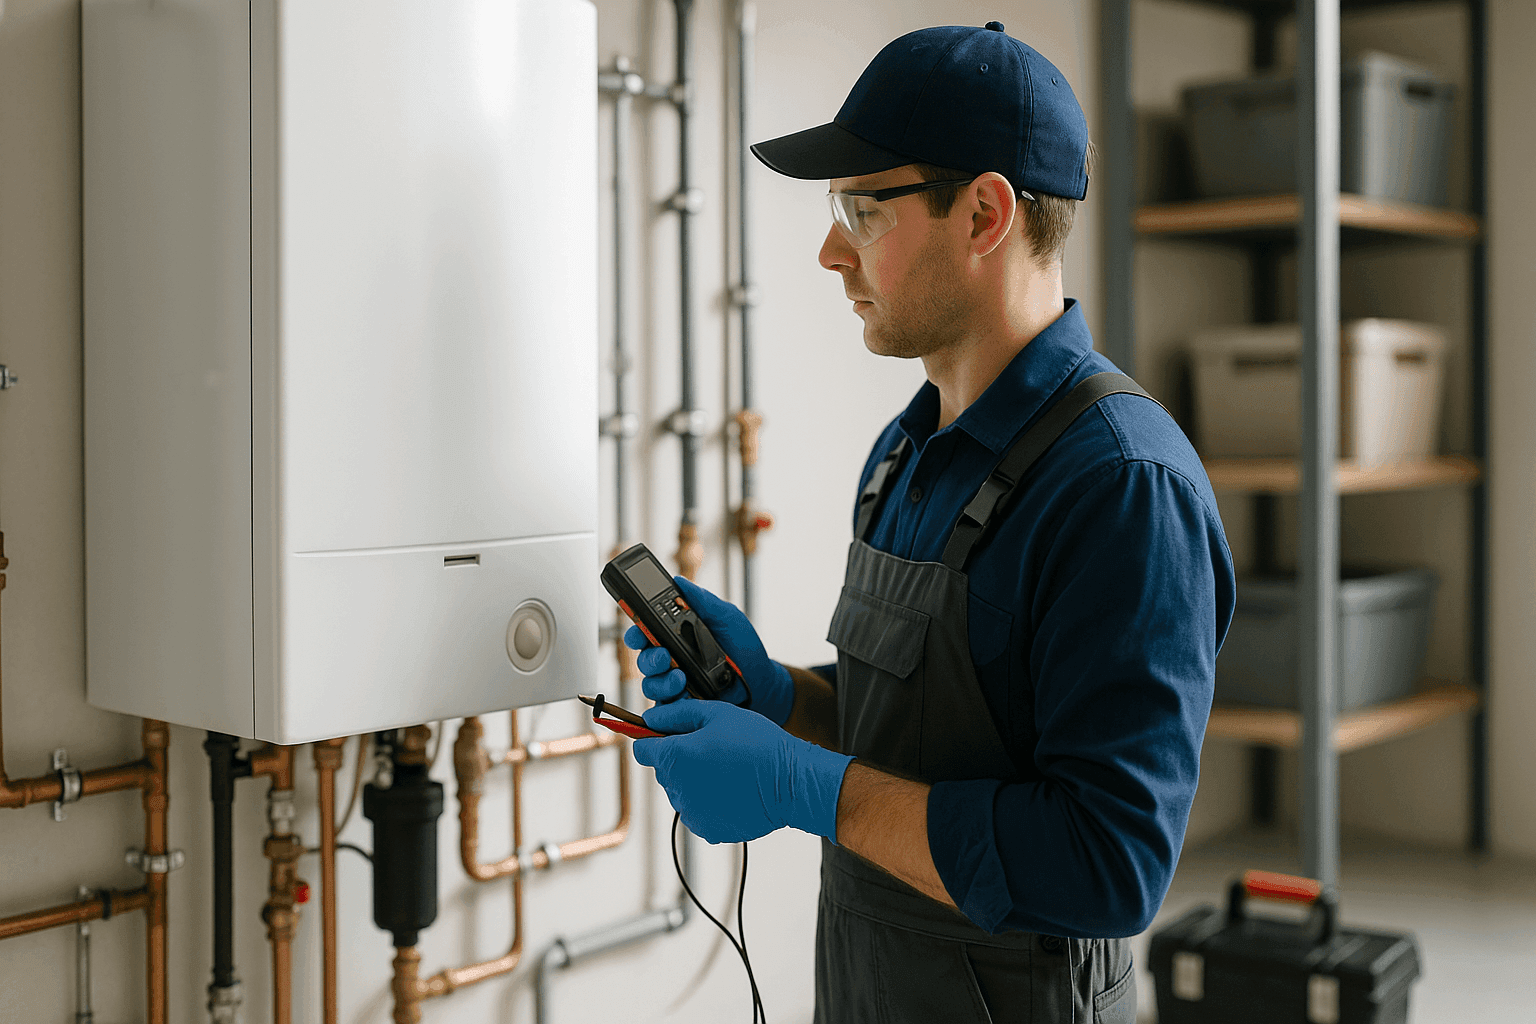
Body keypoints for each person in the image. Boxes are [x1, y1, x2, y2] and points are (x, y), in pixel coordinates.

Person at [627, 21, 1235, 1023]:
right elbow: (927, 735)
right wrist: (783, 698)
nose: (830, 249)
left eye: (864, 208)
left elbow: (1110, 861)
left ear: (985, 213)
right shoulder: (903, 455)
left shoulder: (1122, 487)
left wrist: (803, 788)